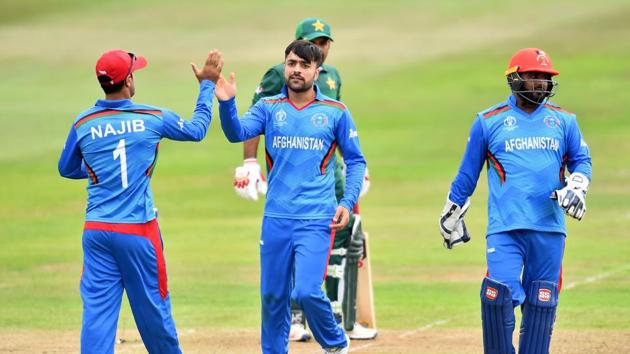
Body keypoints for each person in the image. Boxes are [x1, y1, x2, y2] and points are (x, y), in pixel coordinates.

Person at [58, 48, 223, 353]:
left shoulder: (83, 122)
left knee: (97, 311)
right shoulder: (152, 117)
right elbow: (198, 130)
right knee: (153, 309)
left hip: (96, 230)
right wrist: (207, 84)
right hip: (138, 230)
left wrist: (101, 171)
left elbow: (66, 169)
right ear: (129, 80)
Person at [215, 40, 366, 354]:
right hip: (276, 219)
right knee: (272, 296)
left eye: (304, 65)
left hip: (316, 219)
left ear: (316, 71)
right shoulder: (268, 108)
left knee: (308, 292)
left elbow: (355, 161)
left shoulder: (335, 112)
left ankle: (336, 344)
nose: (296, 70)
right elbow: (236, 133)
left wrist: (346, 202)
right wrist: (228, 105)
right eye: (291, 63)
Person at [439, 48, 592, 354]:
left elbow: (581, 160)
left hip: (549, 228)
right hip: (505, 227)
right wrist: (452, 208)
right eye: (534, 76)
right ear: (514, 78)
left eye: (545, 78)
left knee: (541, 299)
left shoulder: (564, 121)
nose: (540, 83)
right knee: (498, 294)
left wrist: (577, 184)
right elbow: (468, 173)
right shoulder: (488, 121)